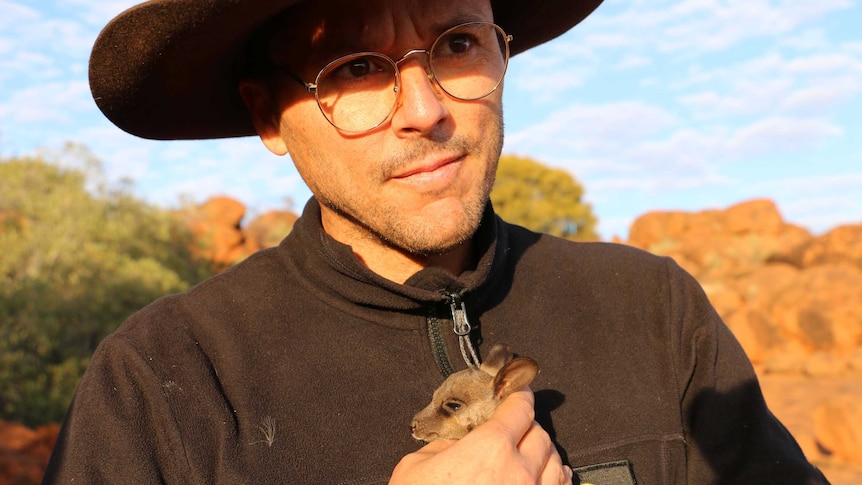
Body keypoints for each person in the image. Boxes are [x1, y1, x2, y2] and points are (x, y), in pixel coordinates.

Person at [43, 0, 829, 483]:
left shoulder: (651, 310)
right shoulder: (165, 381)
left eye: (457, 43)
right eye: (355, 67)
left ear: (502, 53)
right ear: (268, 117)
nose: (425, 109)